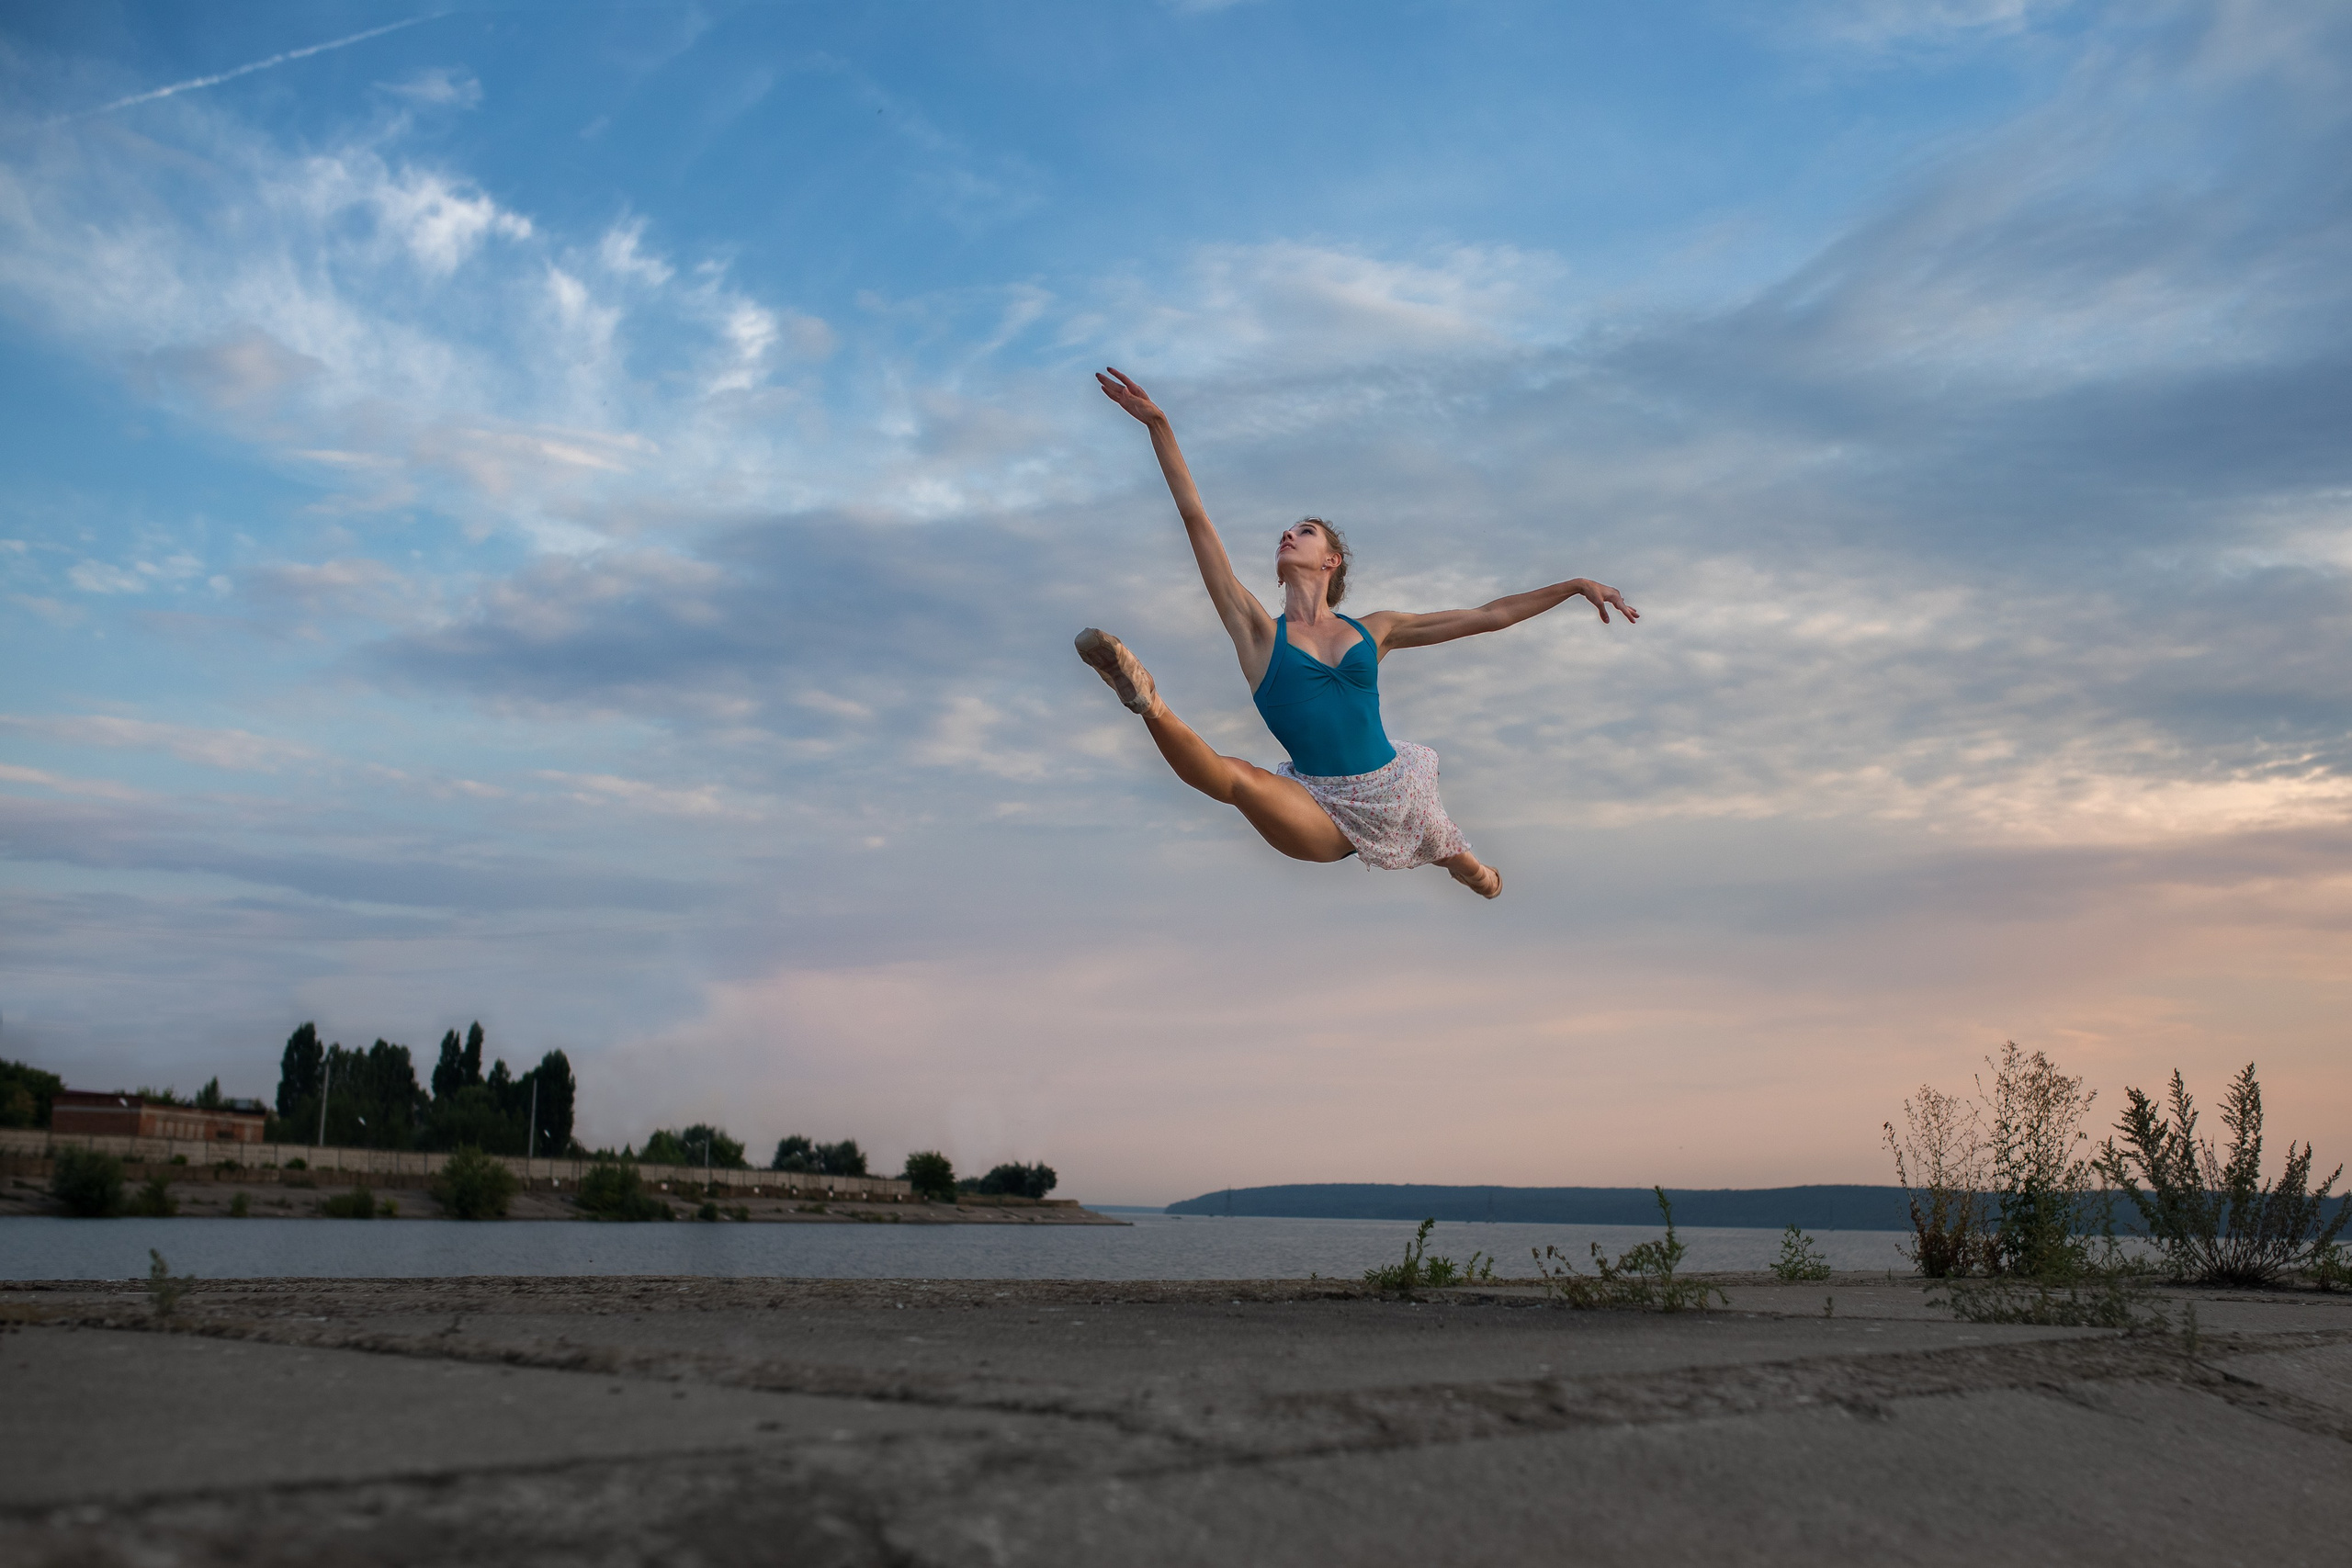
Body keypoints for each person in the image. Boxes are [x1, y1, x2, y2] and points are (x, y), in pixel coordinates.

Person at [1077, 367, 1639, 899]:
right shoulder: (1255, 632)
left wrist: (1572, 585)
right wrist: (1159, 426)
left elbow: (1489, 615)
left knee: (1454, 855)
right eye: (1287, 532)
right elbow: (1196, 518)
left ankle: (1478, 875)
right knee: (1240, 781)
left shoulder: (1377, 630)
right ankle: (1146, 700)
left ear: (1332, 560)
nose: (1288, 535)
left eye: (1305, 531)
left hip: (1395, 787)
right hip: (1320, 809)